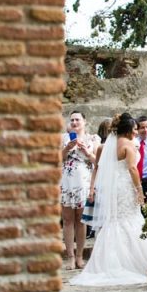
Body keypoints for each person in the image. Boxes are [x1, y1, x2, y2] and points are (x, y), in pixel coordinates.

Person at [71, 112, 147, 286]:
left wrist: (93, 189)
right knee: (131, 220)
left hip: (111, 189)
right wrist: (139, 191)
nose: (137, 132)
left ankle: (108, 264)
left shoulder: (104, 147)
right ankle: (135, 264)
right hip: (126, 187)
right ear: (128, 130)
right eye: (135, 129)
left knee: (114, 221)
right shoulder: (130, 146)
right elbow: (132, 169)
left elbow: (97, 168)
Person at [60, 110, 100, 270]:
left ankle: (79, 256)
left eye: (77, 119)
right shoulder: (63, 138)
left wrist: (87, 152)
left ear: (84, 121)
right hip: (67, 182)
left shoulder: (93, 139)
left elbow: (97, 161)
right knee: (68, 220)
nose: (74, 122)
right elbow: (57, 159)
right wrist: (67, 148)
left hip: (84, 183)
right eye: (72, 120)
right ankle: (69, 256)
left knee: (81, 221)